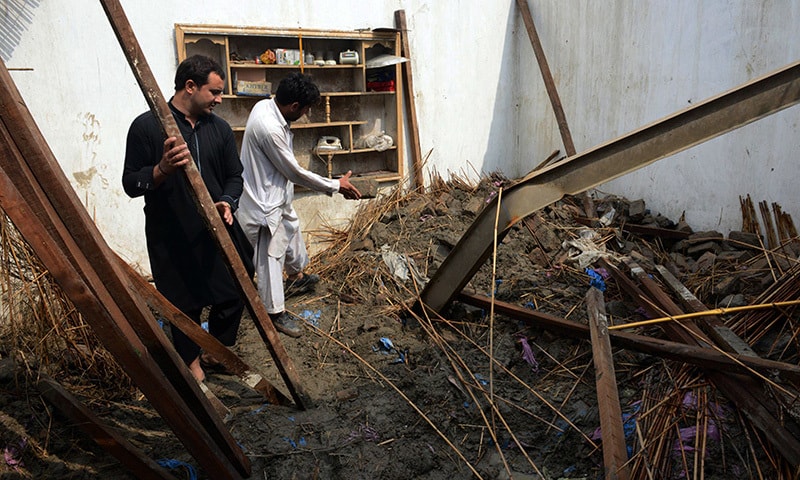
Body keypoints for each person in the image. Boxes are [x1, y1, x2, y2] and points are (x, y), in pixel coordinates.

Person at [122, 55, 254, 382]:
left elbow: (235, 177)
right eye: (215, 92)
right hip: (172, 232)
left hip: (218, 229)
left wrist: (227, 201)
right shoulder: (147, 126)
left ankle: (216, 347)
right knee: (184, 302)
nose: (220, 99)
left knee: (239, 285)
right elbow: (130, 184)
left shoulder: (219, 129)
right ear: (191, 87)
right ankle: (191, 364)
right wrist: (161, 170)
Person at [237, 72, 361, 338]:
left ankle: (296, 278)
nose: (306, 114)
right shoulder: (269, 128)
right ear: (294, 106)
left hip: (276, 193)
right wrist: (335, 185)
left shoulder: (266, 106)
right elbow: (294, 171)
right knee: (270, 257)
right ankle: (274, 314)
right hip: (263, 203)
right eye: (305, 109)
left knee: (290, 230)